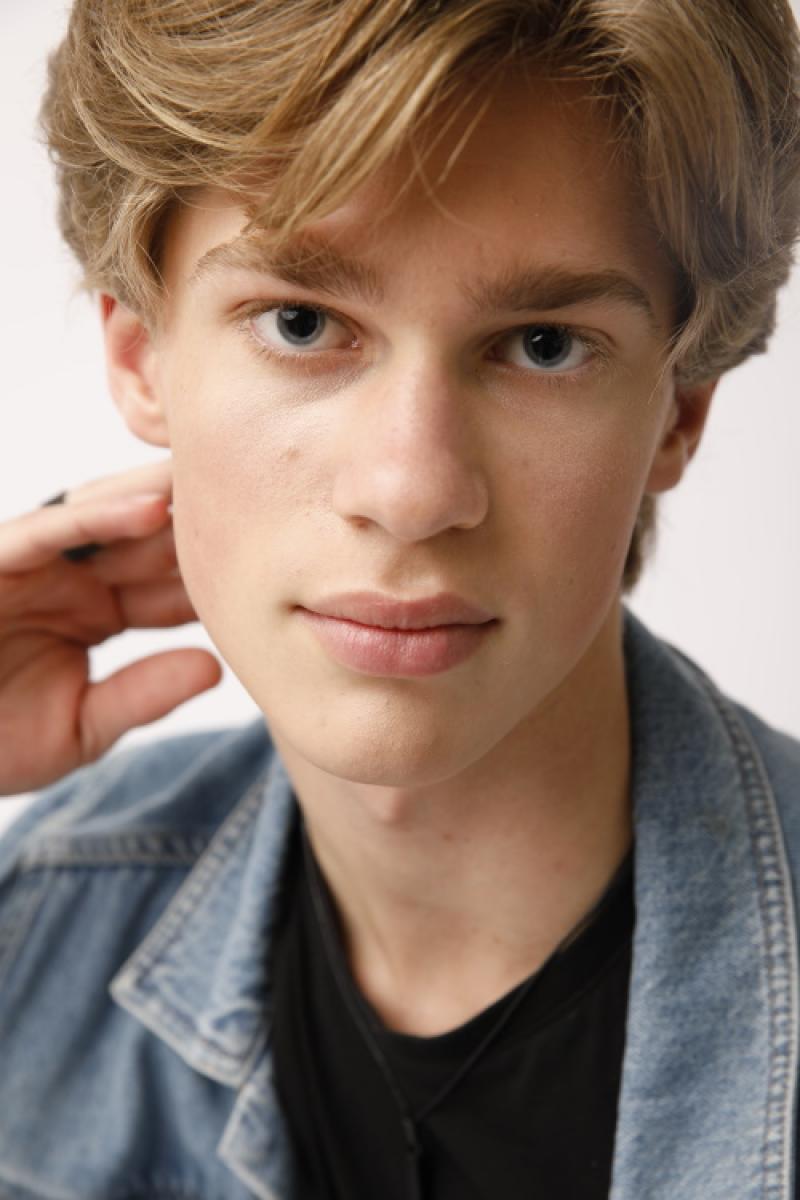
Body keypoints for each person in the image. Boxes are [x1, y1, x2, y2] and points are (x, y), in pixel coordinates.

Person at [0, 0, 799, 1197]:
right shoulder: (39, 928)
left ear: (677, 409)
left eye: (541, 344)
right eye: (301, 323)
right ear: (139, 357)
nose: (413, 491)